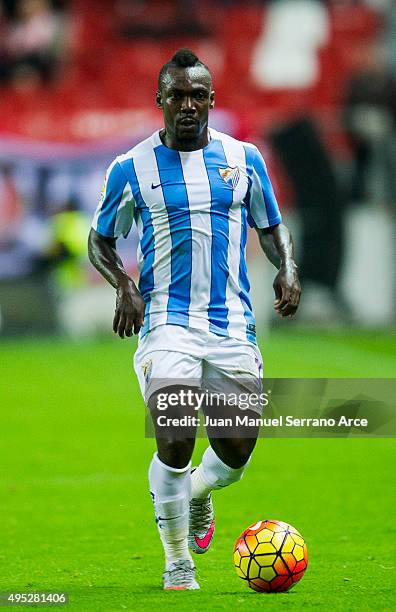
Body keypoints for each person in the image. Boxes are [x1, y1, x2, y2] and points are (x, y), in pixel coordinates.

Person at [88, 48, 301, 591]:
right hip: (165, 324)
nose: (188, 105)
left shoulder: (243, 158)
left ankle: (200, 494)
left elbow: (271, 226)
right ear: (159, 101)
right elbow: (100, 239)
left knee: (235, 451)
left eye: (197, 95)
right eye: (177, 95)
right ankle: (177, 561)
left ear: (212, 100)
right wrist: (125, 285)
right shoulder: (131, 167)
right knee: (176, 436)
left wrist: (288, 268)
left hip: (232, 325)